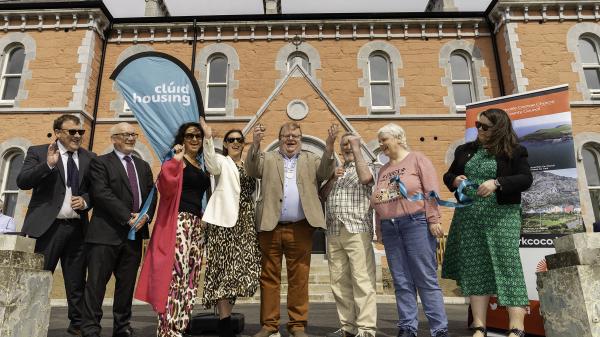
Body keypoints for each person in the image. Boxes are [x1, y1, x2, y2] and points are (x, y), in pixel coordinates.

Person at [442, 108, 533, 337]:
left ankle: (517, 327)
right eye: (477, 125)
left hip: (501, 217)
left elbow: (525, 179)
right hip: (469, 217)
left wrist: (497, 182)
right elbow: (448, 175)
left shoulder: (515, 151)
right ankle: (479, 326)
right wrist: (455, 179)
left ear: (499, 128)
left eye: (485, 126)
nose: (479, 129)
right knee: (476, 268)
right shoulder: (465, 150)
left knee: (507, 266)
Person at [245, 121, 338, 337]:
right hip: (270, 226)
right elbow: (251, 169)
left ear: (301, 139)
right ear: (279, 139)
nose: (291, 138)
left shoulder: (310, 158)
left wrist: (330, 145)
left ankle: (297, 325)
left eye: (295, 135)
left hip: (301, 228)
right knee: (269, 278)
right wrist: (256, 143)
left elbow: (326, 171)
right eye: (286, 135)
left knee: (299, 278)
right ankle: (269, 325)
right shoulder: (268, 158)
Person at [16, 113, 95, 336]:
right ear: (58, 132)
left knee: (76, 281)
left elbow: (95, 190)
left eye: (81, 132)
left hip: (77, 230)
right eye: (72, 131)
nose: (78, 135)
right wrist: (48, 166)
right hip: (46, 229)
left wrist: (86, 200)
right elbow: (22, 181)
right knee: (38, 277)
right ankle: (28, 323)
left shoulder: (89, 157)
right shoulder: (39, 152)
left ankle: (77, 326)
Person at [370, 123, 449, 337]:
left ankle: (439, 329)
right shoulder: (383, 170)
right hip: (390, 228)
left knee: (425, 278)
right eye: (380, 140)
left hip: (416, 224)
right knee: (401, 280)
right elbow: (377, 202)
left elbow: (431, 190)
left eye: (384, 139)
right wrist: (379, 230)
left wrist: (434, 219)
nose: (381, 144)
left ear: (398, 138)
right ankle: (407, 327)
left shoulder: (417, 159)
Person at [135, 121, 211, 337]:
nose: (195, 139)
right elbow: (166, 187)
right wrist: (175, 161)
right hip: (179, 223)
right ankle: (168, 329)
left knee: (191, 276)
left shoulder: (199, 163)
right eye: (190, 136)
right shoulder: (177, 162)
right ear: (182, 139)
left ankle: (180, 325)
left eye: (198, 136)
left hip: (197, 225)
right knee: (176, 275)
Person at [81, 122, 157, 337]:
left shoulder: (142, 166)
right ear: (114, 138)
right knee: (96, 285)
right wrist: (127, 217)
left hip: (134, 236)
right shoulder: (100, 163)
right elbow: (101, 193)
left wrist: (146, 216)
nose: (131, 138)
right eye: (126, 135)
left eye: (134, 134)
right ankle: (90, 328)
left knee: (126, 285)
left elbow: (153, 194)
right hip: (105, 234)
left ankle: (122, 326)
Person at [201, 121, 261, 337]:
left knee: (240, 270)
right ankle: (224, 322)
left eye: (239, 140)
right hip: (223, 221)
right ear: (225, 144)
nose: (236, 142)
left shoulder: (249, 165)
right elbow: (210, 164)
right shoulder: (221, 161)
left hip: (245, 222)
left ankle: (225, 315)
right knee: (222, 269)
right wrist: (208, 138)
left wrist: (258, 143)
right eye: (231, 140)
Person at [320, 133, 377, 337]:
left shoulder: (367, 165)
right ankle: (348, 327)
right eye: (344, 144)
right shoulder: (337, 169)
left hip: (357, 230)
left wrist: (357, 149)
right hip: (334, 231)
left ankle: (366, 329)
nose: (347, 147)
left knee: (362, 280)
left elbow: (366, 179)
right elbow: (322, 195)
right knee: (339, 282)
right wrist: (332, 178)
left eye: (351, 144)